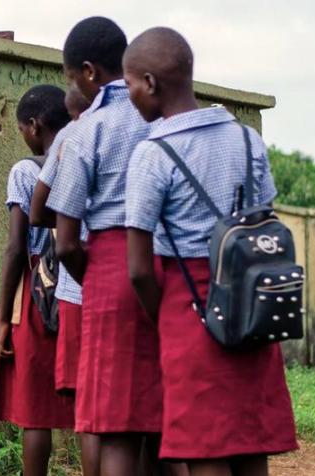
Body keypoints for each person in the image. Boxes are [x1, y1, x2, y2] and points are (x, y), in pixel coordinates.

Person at [124, 27, 298, 475]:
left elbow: (140, 269)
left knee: (206, 448)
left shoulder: (154, 153)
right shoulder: (247, 140)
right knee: (249, 442)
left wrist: (166, 318)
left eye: (128, 86)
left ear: (150, 83)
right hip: (252, 303)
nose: (130, 97)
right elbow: (264, 224)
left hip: (190, 305)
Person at [45, 17, 165, 476]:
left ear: (90, 73)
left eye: (72, 78)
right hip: (165, 268)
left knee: (112, 423)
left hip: (111, 271)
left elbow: (66, 240)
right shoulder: (160, 116)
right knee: (158, 414)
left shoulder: (85, 130)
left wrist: (93, 279)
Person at [0, 84, 75, 476]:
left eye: (22, 128)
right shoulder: (81, 161)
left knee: (35, 411)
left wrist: (3, 317)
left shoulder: (25, 170)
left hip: (37, 292)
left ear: (34, 127)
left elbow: (16, 247)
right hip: (77, 281)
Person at [29, 84, 102, 476]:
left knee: (89, 412)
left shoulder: (74, 137)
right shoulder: (144, 124)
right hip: (133, 279)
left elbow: (39, 214)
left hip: (79, 285)